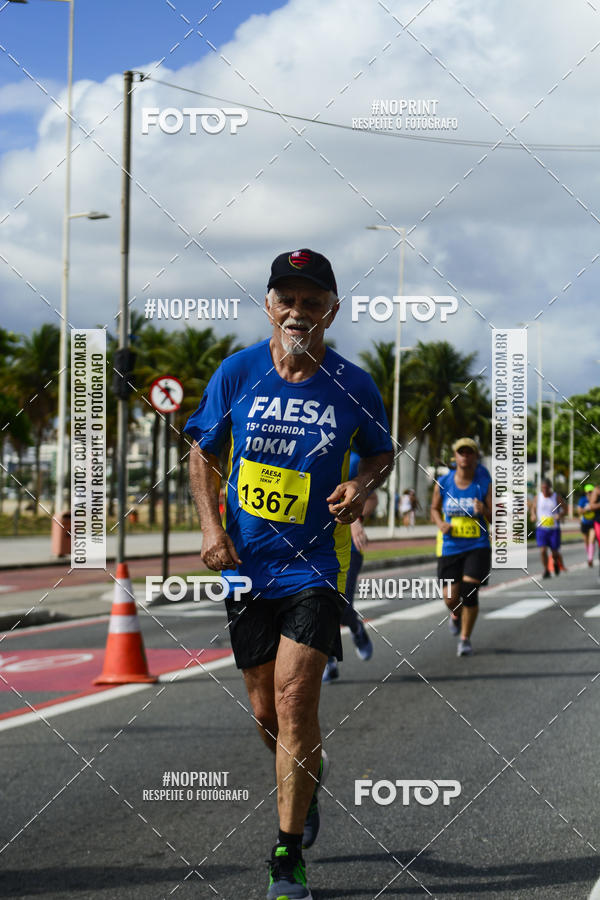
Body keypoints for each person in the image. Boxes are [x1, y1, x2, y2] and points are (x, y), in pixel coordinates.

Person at [185, 248, 393, 900]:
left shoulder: (352, 384)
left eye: (312, 301)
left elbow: (381, 453)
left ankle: (286, 856)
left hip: (315, 568)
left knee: (296, 702)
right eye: (288, 299)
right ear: (271, 304)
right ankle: (310, 774)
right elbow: (204, 451)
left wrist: (360, 485)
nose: (298, 311)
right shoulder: (237, 372)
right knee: (264, 713)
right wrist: (211, 529)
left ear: (331, 309)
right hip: (248, 568)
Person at [430, 438, 492, 657]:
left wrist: (484, 508)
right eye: (461, 452)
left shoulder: (483, 482)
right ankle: (456, 615)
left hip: (477, 545)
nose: (465, 456)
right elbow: (434, 509)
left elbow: (495, 516)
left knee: (469, 592)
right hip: (450, 547)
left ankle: (465, 639)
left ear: (475, 457)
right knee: (450, 598)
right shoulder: (445, 482)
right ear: (455, 457)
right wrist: (440, 523)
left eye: (469, 452)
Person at [322, 449, 376, 683]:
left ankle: (356, 629)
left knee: (342, 606)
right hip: (314, 547)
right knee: (320, 607)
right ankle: (329, 662)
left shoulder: (353, 458)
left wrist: (357, 519)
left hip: (348, 548)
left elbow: (372, 497)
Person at [530, 478, 566, 578]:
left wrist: (560, 515)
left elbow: (565, 509)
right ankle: (546, 570)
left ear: (550, 488)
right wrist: (532, 515)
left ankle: (555, 562)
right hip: (541, 528)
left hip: (554, 529)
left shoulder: (556, 497)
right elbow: (533, 508)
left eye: (546, 488)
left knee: (554, 552)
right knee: (543, 550)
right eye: (543, 488)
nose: (544, 490)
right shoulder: (538, 497)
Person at [576, 484, 596, 568]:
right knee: (586, 542)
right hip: (584, 523)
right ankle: (589, 555)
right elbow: (579, 511)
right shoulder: (582, 500)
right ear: (586, 492)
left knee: (592, 541)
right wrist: (586, 509)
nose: (590, 494)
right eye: (589, 492)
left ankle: (590, 558)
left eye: (592, 492)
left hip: (593, 523)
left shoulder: (595, 500)